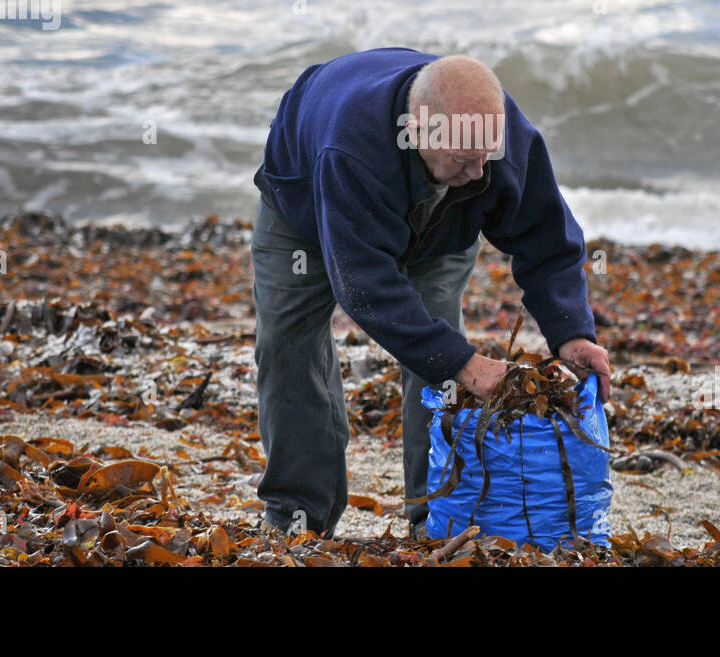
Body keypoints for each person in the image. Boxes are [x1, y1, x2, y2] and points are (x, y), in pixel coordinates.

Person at [250, 47, 610, 538]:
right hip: (305, 213)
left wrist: (571, 332)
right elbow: (365, 286)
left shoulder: (495, 137)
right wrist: (465, 363)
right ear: (417, 130)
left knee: (436, 355)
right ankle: (297, 512)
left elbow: (548, 239)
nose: (481, 173)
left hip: (442, 231)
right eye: (464, 159)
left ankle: (435, 516)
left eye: (487, 157)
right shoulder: (352, 147)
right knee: (286, 346)